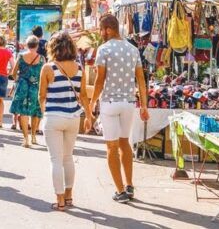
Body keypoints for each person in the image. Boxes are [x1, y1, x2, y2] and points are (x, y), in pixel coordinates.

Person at [91, 14, 149, 203]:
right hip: (128, 103)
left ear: (108, 29)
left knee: (112, 147)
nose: (101, 33)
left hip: (109, 102)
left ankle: (120, 190)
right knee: (125, 143)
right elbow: (141, 79)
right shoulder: (133, 50)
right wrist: (144, 105)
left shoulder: (104, 49)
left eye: (101, 30)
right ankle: (130, 184)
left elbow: (99, 81)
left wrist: (91, 103)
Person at [38, 31, 94, 212]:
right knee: (68, 157)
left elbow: (42, 96)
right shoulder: (79, 68)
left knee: (55, 160)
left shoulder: (48, 67)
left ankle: (60, 200)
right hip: (73, 118)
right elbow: (84, 95)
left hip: (54, 117)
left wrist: (44, 113)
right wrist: (89, 116)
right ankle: (69, 196)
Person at [9, 36, 44, 147]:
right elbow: (44, 75)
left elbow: (14, 73)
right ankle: (33, 136)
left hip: (22, 86)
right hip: (36, 87)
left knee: (23, 112)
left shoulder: (21, 56)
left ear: (27, 45)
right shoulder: (42, 59)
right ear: (37, 45)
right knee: (35, 112)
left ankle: (25, 139)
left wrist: (18, 80)